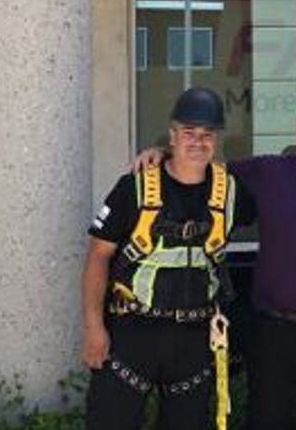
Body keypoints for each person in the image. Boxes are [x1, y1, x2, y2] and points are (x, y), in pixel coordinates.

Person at [136, 92, 296, 430]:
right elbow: (202, 167)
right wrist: (163, 153)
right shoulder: (268, 172)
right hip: (275, 332)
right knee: (266, 420)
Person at [82, 87, 254, 430]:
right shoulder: (133, 188)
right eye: (188, 132)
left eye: (207, 134)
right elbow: (98, 258)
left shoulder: (233, 192)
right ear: (173, 136)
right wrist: (93, 327)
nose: (198, 141)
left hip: (194, 338)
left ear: (216, 140)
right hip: (132, 334)